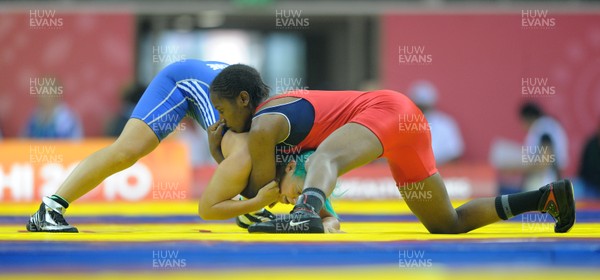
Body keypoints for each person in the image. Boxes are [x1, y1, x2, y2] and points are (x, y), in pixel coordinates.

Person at [208, 64, 575, 234]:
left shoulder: (263, 125)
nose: (222, 122)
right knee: (447, 223)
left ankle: (306, 212)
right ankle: (543, 200)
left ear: (244, 100)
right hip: (401, 129)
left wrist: (218, 150)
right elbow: (262, 189)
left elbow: (257, 193)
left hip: (386, 112)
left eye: (222, 112)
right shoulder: (270, 126)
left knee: (325, 158)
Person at [27, 59, 229, 232]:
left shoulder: (249, 111)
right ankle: (51, 209)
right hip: (177, 83)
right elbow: (212, 199)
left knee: (237, 153)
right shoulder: (230, 104)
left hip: (202, 84)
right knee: (125, 151)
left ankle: (253, 212)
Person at [197, 126, 341, 233]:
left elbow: (331, 218)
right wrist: (257, 202)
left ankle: (252, 211)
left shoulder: (311, 181)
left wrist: (326, 226)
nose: (297, 202)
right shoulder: (255, 162)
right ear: (290, 167)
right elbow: (206, 211)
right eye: (298, 192)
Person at [408, 80, 464, 165]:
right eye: (418, 105)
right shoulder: (402, 124)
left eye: (424, 106)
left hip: (441, 172)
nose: (421, 110)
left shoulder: (446, 124)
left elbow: (455, 154)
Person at [519, 102, 568, 192]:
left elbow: (544, 162)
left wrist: (515, 167)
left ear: (528, 118)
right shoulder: (549, 125)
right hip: (551, 182)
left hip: (544, 184)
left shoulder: (543, 128)